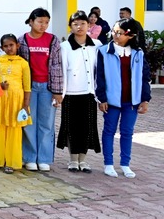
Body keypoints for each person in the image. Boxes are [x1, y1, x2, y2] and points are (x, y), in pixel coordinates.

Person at [96, 19, 151, 178]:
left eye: (119, 33)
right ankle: (108, 164)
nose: (115, 35)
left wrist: (145, 99)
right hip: (111, 101)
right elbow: (99, 77)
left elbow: (145, 77)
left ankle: (125, 164)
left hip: (131, 101)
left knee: (127, 132)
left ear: (131, 35)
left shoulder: (138, 53)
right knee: (109, 131)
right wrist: (102, 98)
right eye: (114, 31)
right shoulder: (103, 51)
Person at [17, 7, 63, 172]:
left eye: (46, 22)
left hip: (47, 88)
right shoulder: (22, 40)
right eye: (40, 21)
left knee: (47, 123)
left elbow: (57, 66)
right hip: (29, 88)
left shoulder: (53, 40)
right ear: (31, 22)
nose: (43, 25)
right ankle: (29, 157)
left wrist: (57, 91)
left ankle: (43, 158)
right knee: (29, 122)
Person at [57, 10, 101, 172]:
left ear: (89, 25)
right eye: (75, 24)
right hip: (70, 93)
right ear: (70, 26)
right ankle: (73, 160)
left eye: (83, 23)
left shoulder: (96, 45)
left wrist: (99, 94)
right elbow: (62, 70)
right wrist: (60, 94)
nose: (79, 27)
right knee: (71, 128)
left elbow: (99, 70)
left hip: (89, 93)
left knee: (87, 128)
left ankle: (83, 160)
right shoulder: (65, 46)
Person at [0, 34, 32, 174]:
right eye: (5, 46)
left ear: (17, 45)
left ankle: (11, 162)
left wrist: (25, 105)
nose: (9, 48)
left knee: (14, 130)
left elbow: (27, 86)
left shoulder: (23, 63)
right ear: (1, 48)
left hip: (16, 101)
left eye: (11, 45)